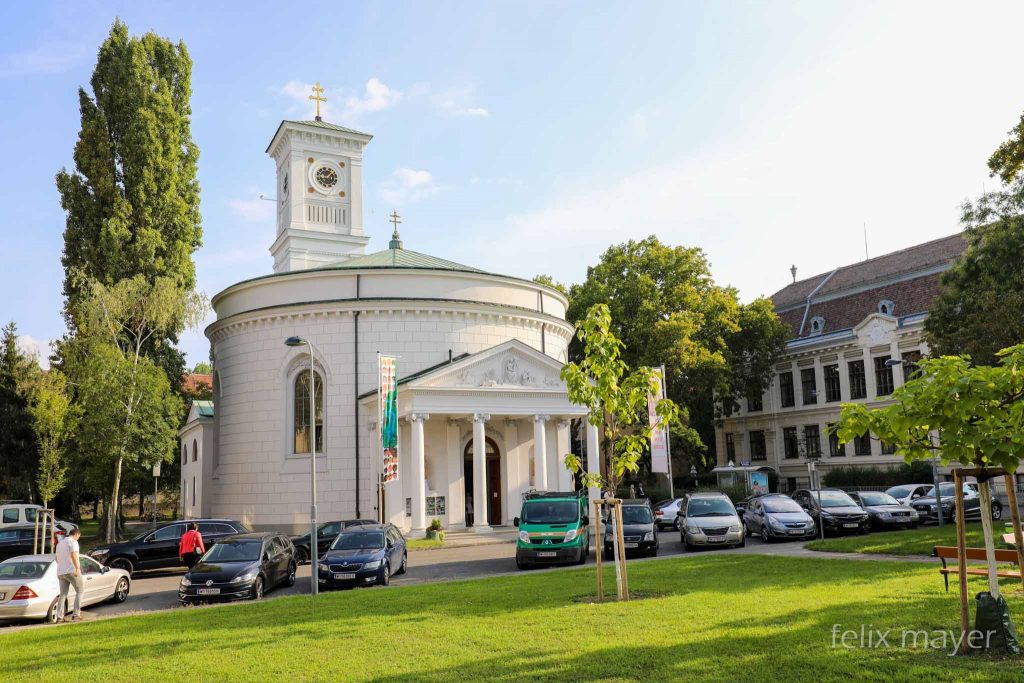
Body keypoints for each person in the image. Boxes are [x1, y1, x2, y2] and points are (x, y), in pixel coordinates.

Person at [55, 527, 83, 623]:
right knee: (80, 591)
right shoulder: (73, 542)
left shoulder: (59, 544)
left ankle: (59, 617)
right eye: (79, 536)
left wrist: (62, 565)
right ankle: (76, 615)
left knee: (63, 595)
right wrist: (77, 568)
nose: (78, 538)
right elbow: (73, 555)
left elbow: (56, 558)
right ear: (76, 534)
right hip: (71, 571)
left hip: (60, 572)